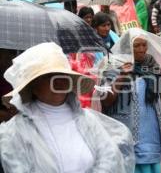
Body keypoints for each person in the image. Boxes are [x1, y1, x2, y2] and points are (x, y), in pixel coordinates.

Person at [0, 42, 134, 172]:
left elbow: (109, 158)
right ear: (32, 86)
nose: (58, 80)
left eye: (62, 74)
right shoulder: (14, 132)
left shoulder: (88, 120)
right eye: (48, 76)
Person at [99, 28, 161, 173]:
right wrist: (122, 76)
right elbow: (106, 101)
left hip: (151, 134)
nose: (141, 49)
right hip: (128, 132)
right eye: (137, 45)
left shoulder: (152, 65)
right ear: (128, 47)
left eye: (144, 45)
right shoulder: (115, 65)